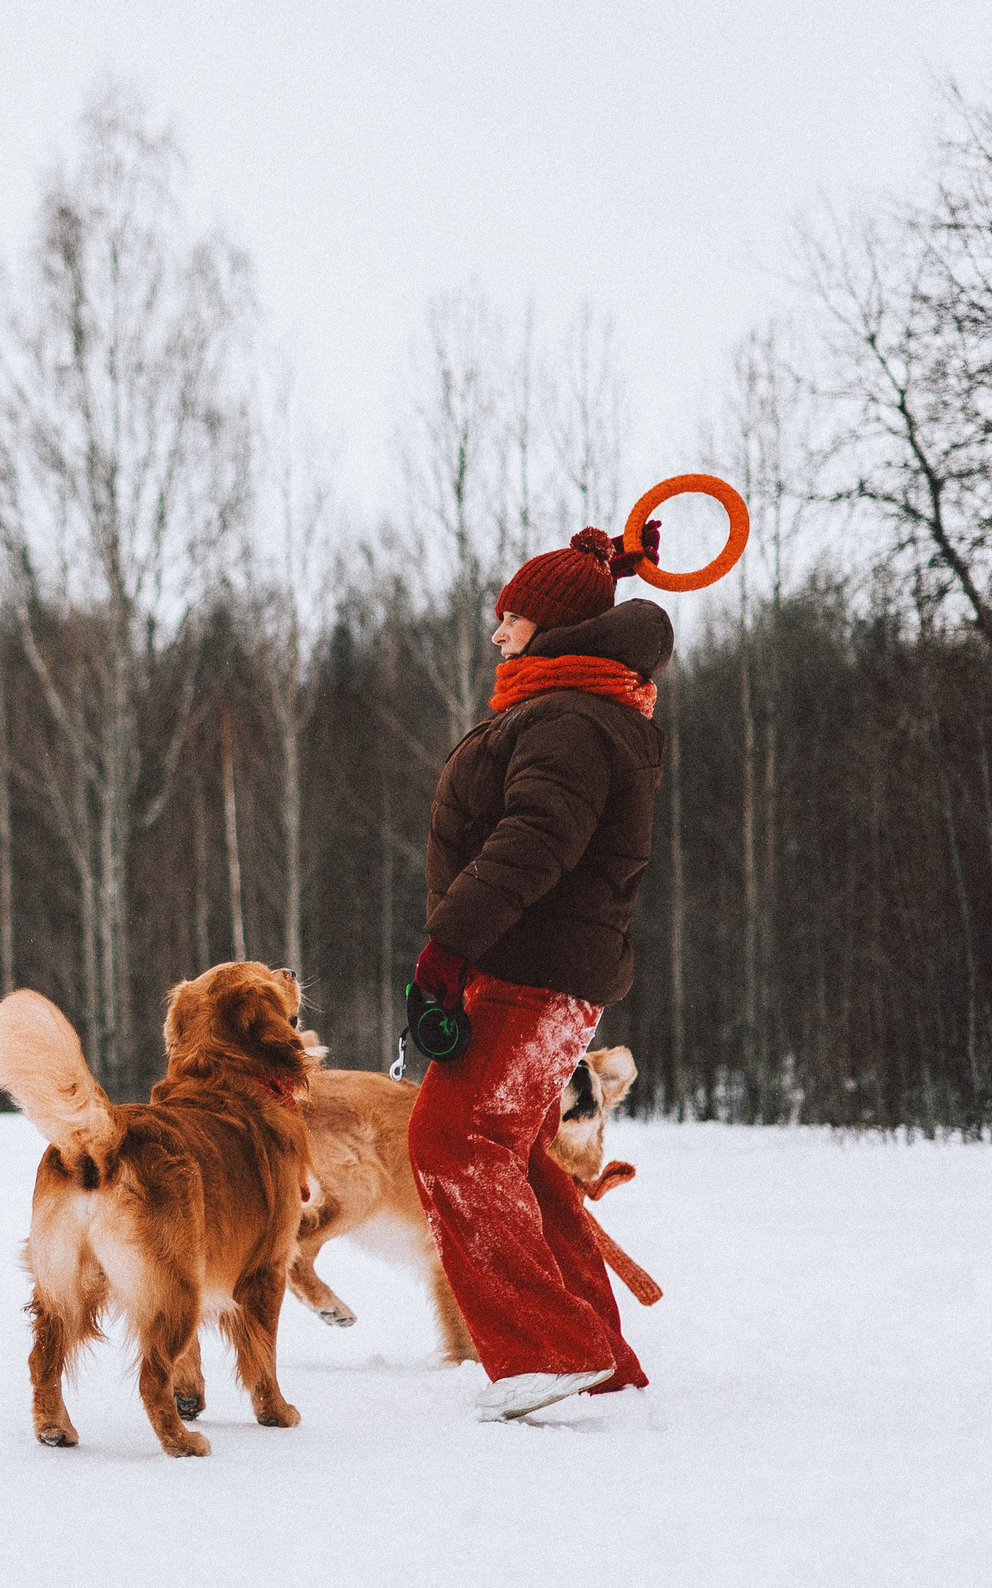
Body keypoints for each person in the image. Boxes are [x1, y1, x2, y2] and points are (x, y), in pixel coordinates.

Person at [409, 523, 668, 1423]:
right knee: (517, 1156)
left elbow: (531, 844)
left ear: (552, 629)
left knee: (453, 1143)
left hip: (531, 971)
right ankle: (597, 1350)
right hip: (539, 970)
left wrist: (448, 945)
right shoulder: (576, 708)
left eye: (511, 618)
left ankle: (548, 1349)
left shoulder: (567, 719)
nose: (498, 634)